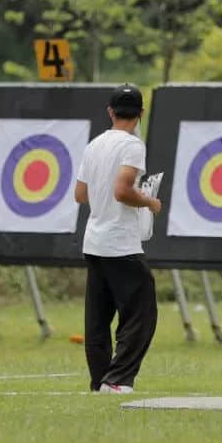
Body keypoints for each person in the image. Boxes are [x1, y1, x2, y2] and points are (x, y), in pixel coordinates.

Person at [74, 83, 161, 394]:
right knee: (142, 311)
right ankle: (118, 379)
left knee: (98, 318)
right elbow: (123, 191)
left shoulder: (94, 144)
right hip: (120, 243)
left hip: (94, 242)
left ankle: (100, 381)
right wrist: (149, 202)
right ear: (140, 114)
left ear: (110, 112)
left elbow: (80, 194)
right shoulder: (132, 145)